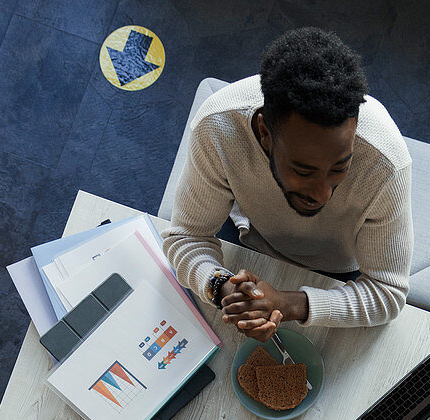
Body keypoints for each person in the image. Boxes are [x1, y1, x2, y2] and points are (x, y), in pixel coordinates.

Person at [163, 27, 413, 341]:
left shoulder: (385, 163)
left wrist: (289, 304)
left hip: (337, 270)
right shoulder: (218, 128)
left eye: (340, 167)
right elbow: (186, 237)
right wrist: (225, 290)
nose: (323, 194)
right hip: (247, 237)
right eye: (304, 170)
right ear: (265, 133)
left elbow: (387, 293)